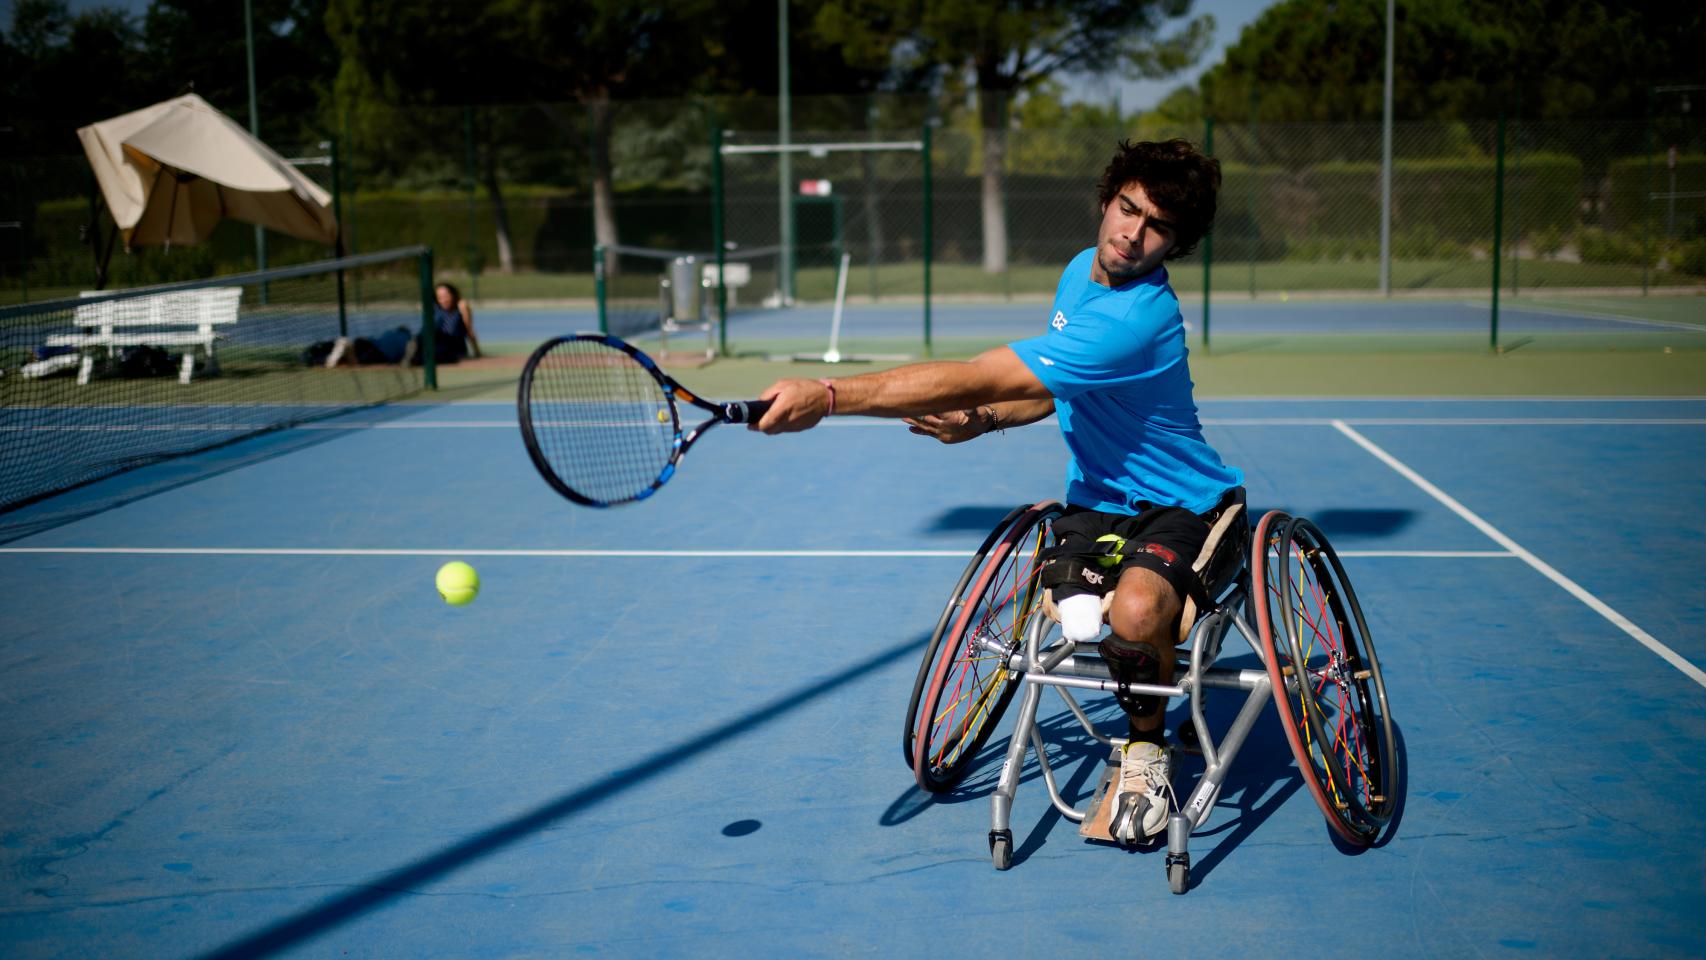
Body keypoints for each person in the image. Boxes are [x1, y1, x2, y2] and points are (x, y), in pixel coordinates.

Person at [752, 139, 1244, 845]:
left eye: (1157, 226)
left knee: (1135, 613)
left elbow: (986, 373)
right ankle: (1145, 691)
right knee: (1074, 617)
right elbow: (1047, 393)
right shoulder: (1080, 274)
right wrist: (983, 422)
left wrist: (829, 395)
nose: (1132, 233)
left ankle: (1144, 750)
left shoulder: (1138, 319)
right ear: (1106, 199)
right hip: (1098, 502)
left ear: (1177, 243)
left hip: (1188, 506)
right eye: (1127, 208)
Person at [431, 282, 482, 363]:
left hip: (455, 349)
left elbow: (469, 329)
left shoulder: (461, 305)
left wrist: (477, 352)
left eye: (446, 297)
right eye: (440, 297)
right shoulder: (434, 307)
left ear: (453, 295)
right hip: (436, 346)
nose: (443, 300)